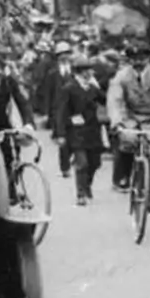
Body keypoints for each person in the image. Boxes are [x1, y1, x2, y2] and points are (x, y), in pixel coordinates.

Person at [106, 42, 150, 212]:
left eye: (142, 58)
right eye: (134, 59)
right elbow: (114, 100)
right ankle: (123, 176)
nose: (138, 62)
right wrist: (116, 121)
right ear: (129, 60)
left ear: (148, 58)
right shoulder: (122, 76)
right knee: (127, 141)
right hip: (130, 118)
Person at [54, 54, 106, 205]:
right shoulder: (69, 88)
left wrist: (97, 86)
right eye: (85, 70)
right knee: (82, 162)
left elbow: (104, 99)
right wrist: (61, 133)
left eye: (89, 69)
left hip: (93, 130)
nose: (89, 72)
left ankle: (87, 184)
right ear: (78, 71)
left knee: (95, 162)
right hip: (76, 132)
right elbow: (61, 112)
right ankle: (81, 194)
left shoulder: (92, 88)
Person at [42, 41, 75, 178]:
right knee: (62, 139)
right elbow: (47, 93)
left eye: (66, 54)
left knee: (75, 137)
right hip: (58, 110)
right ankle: (65, 167)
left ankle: (70, 159)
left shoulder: (75, 70)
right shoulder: (52, 73)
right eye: (61, 54)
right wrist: (46, 112)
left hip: (74, 109)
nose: (64, 57)